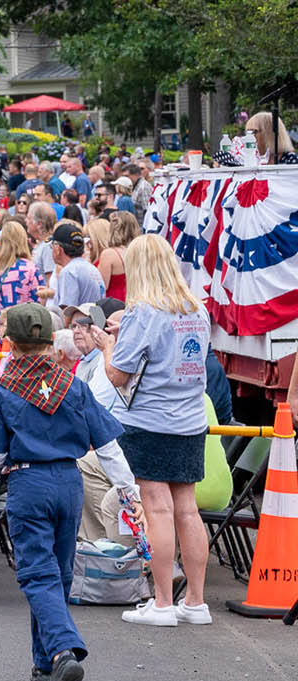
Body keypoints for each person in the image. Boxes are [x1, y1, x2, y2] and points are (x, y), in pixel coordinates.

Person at [0, 302, 139, 681]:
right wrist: (128, 490)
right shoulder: (75, 386)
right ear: (52, 343)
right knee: (59, 574)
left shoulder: (2, 392)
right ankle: (44, 663)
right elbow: (108, 444)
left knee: (36, 574)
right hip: (71, 480)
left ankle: (64, 651)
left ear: (9, 343)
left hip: (29, 481)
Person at [103, 234, 214, 627]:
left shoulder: (142, 312)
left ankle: (163, 602)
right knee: (188, 509)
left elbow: (118, 374)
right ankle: (196, 602)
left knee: (158, 510)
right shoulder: (197, 310)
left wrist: (106, 345)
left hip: (150, 419)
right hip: (190, 420)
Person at [46, 220, 103, 311]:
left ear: (58, 249)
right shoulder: (91, 268)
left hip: (78, 323)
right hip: (92, 322)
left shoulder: (69, 272)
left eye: (52, 246)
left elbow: (67, 311)